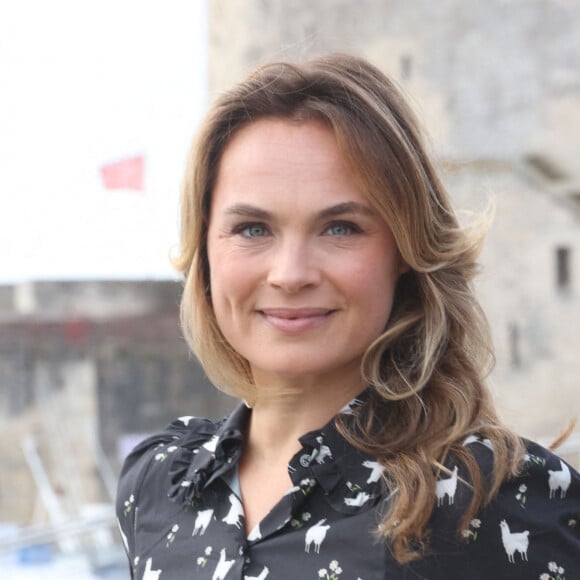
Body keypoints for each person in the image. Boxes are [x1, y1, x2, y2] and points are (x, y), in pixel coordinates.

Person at [116, 54, 580, 579]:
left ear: (405, 250)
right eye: (251, 228)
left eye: (340, 228)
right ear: (205, 247)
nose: (290, 274)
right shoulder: (159, 482)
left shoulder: (491, 495)